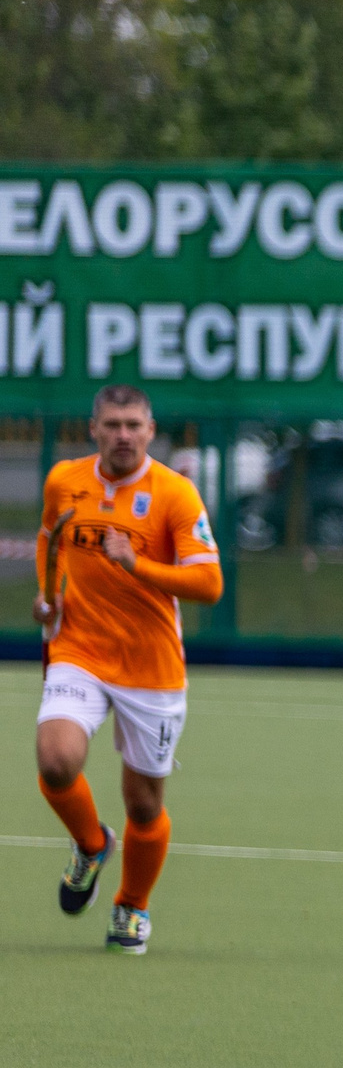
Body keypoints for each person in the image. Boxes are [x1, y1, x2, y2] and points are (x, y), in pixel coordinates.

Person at [32, 384, 223, 955]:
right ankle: (91, 846)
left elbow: (209, 584)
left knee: (144, 802)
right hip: (80, 650)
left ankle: (131, 907)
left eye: (133, 425)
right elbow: (49, 538)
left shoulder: (175, 494)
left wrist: (136, 564)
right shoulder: (65, 480)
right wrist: (48, 595)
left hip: (151, 665)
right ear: (93, 428)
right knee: (56, 759)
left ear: (150, 429)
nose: (123, 435)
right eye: (112, 424)